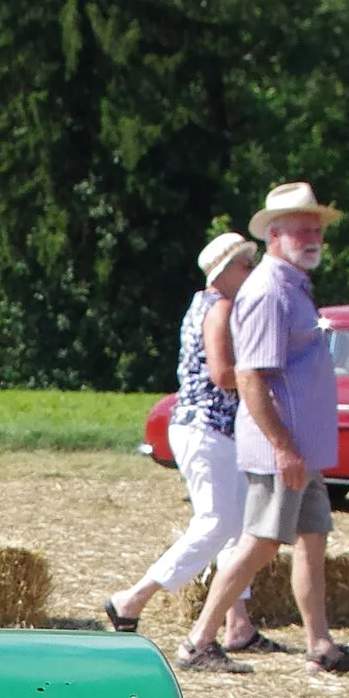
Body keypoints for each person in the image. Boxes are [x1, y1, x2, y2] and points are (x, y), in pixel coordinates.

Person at [181, 183, 349, 678]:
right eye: (301, 228)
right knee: (259, 544)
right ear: (275, 234)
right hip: (282, 448)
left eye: (316, 228)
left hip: (300, 448)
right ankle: (198, 641)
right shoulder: (269, 290)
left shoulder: (293, 286)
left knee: (313, 539)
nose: (313, 237)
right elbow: (249, 376)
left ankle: (320, 645)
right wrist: (284, 448)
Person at [103, 234, 274, 648]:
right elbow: (222, 374)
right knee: (216, 524)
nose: (251, 271)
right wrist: (265, 375)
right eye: (244, 264)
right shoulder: (220, 308)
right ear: (223, 272)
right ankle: (132, 599)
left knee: (234, 528)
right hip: (208, 428)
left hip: (208, 429)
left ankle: (238, 625)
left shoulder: (205, 303)